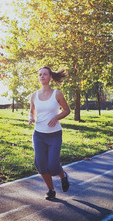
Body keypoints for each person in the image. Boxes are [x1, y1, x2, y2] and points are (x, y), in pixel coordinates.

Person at [28, 66, 71, 200]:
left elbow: (66, 110)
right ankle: (51, 190)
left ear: (50, 77)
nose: (42, 76)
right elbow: (32, 111)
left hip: (54, 135)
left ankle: (63, 176)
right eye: (40, 74)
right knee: (41, 164)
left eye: (45, 74)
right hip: (39, 135)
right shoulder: (34, 95)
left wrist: (56, 117)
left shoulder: (57, 94)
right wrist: (31, 117)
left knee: (53, 166)